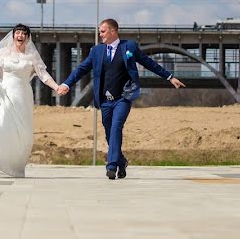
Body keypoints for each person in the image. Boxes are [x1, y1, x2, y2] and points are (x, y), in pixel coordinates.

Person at [57, 18, 185, 180]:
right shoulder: (96, 51)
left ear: (113, 31)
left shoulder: (129, 47)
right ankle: (121, 161)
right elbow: (81, 69)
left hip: (123, 98)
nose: (100, 34)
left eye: (102, 31)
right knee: (109, 133)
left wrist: (169, 77)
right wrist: (67, 84)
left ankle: (111, 166)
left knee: (116, 128)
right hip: (104, 101)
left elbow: (148, 62)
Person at [0, 23, 59, 177]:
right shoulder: (3, 52)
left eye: (23, 33)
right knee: (0, 124)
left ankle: (16, 164)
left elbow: (43, 75)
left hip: (22, 96)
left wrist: (56, 87)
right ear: (13, 35)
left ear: (27, 38)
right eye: (18, 33)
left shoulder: (32, 56)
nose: (20, 36)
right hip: (4, 93)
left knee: (21, 133)